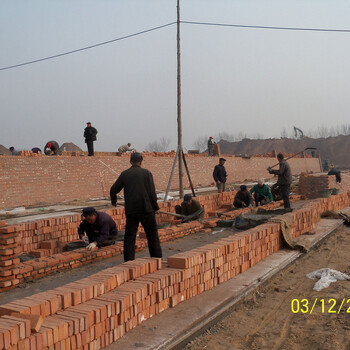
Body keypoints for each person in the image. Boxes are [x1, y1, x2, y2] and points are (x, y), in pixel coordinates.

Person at [110, 152, 162, 262]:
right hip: (146, 209)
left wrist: (114, 201)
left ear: (130, 162)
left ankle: (128, 261)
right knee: (152, 235)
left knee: (130, 237)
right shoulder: (147, 173)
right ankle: (157, 259)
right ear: (141, 162)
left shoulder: (125, 174)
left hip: (131, 211)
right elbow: (152, 193)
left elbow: (113, 190)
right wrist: (155, 207)